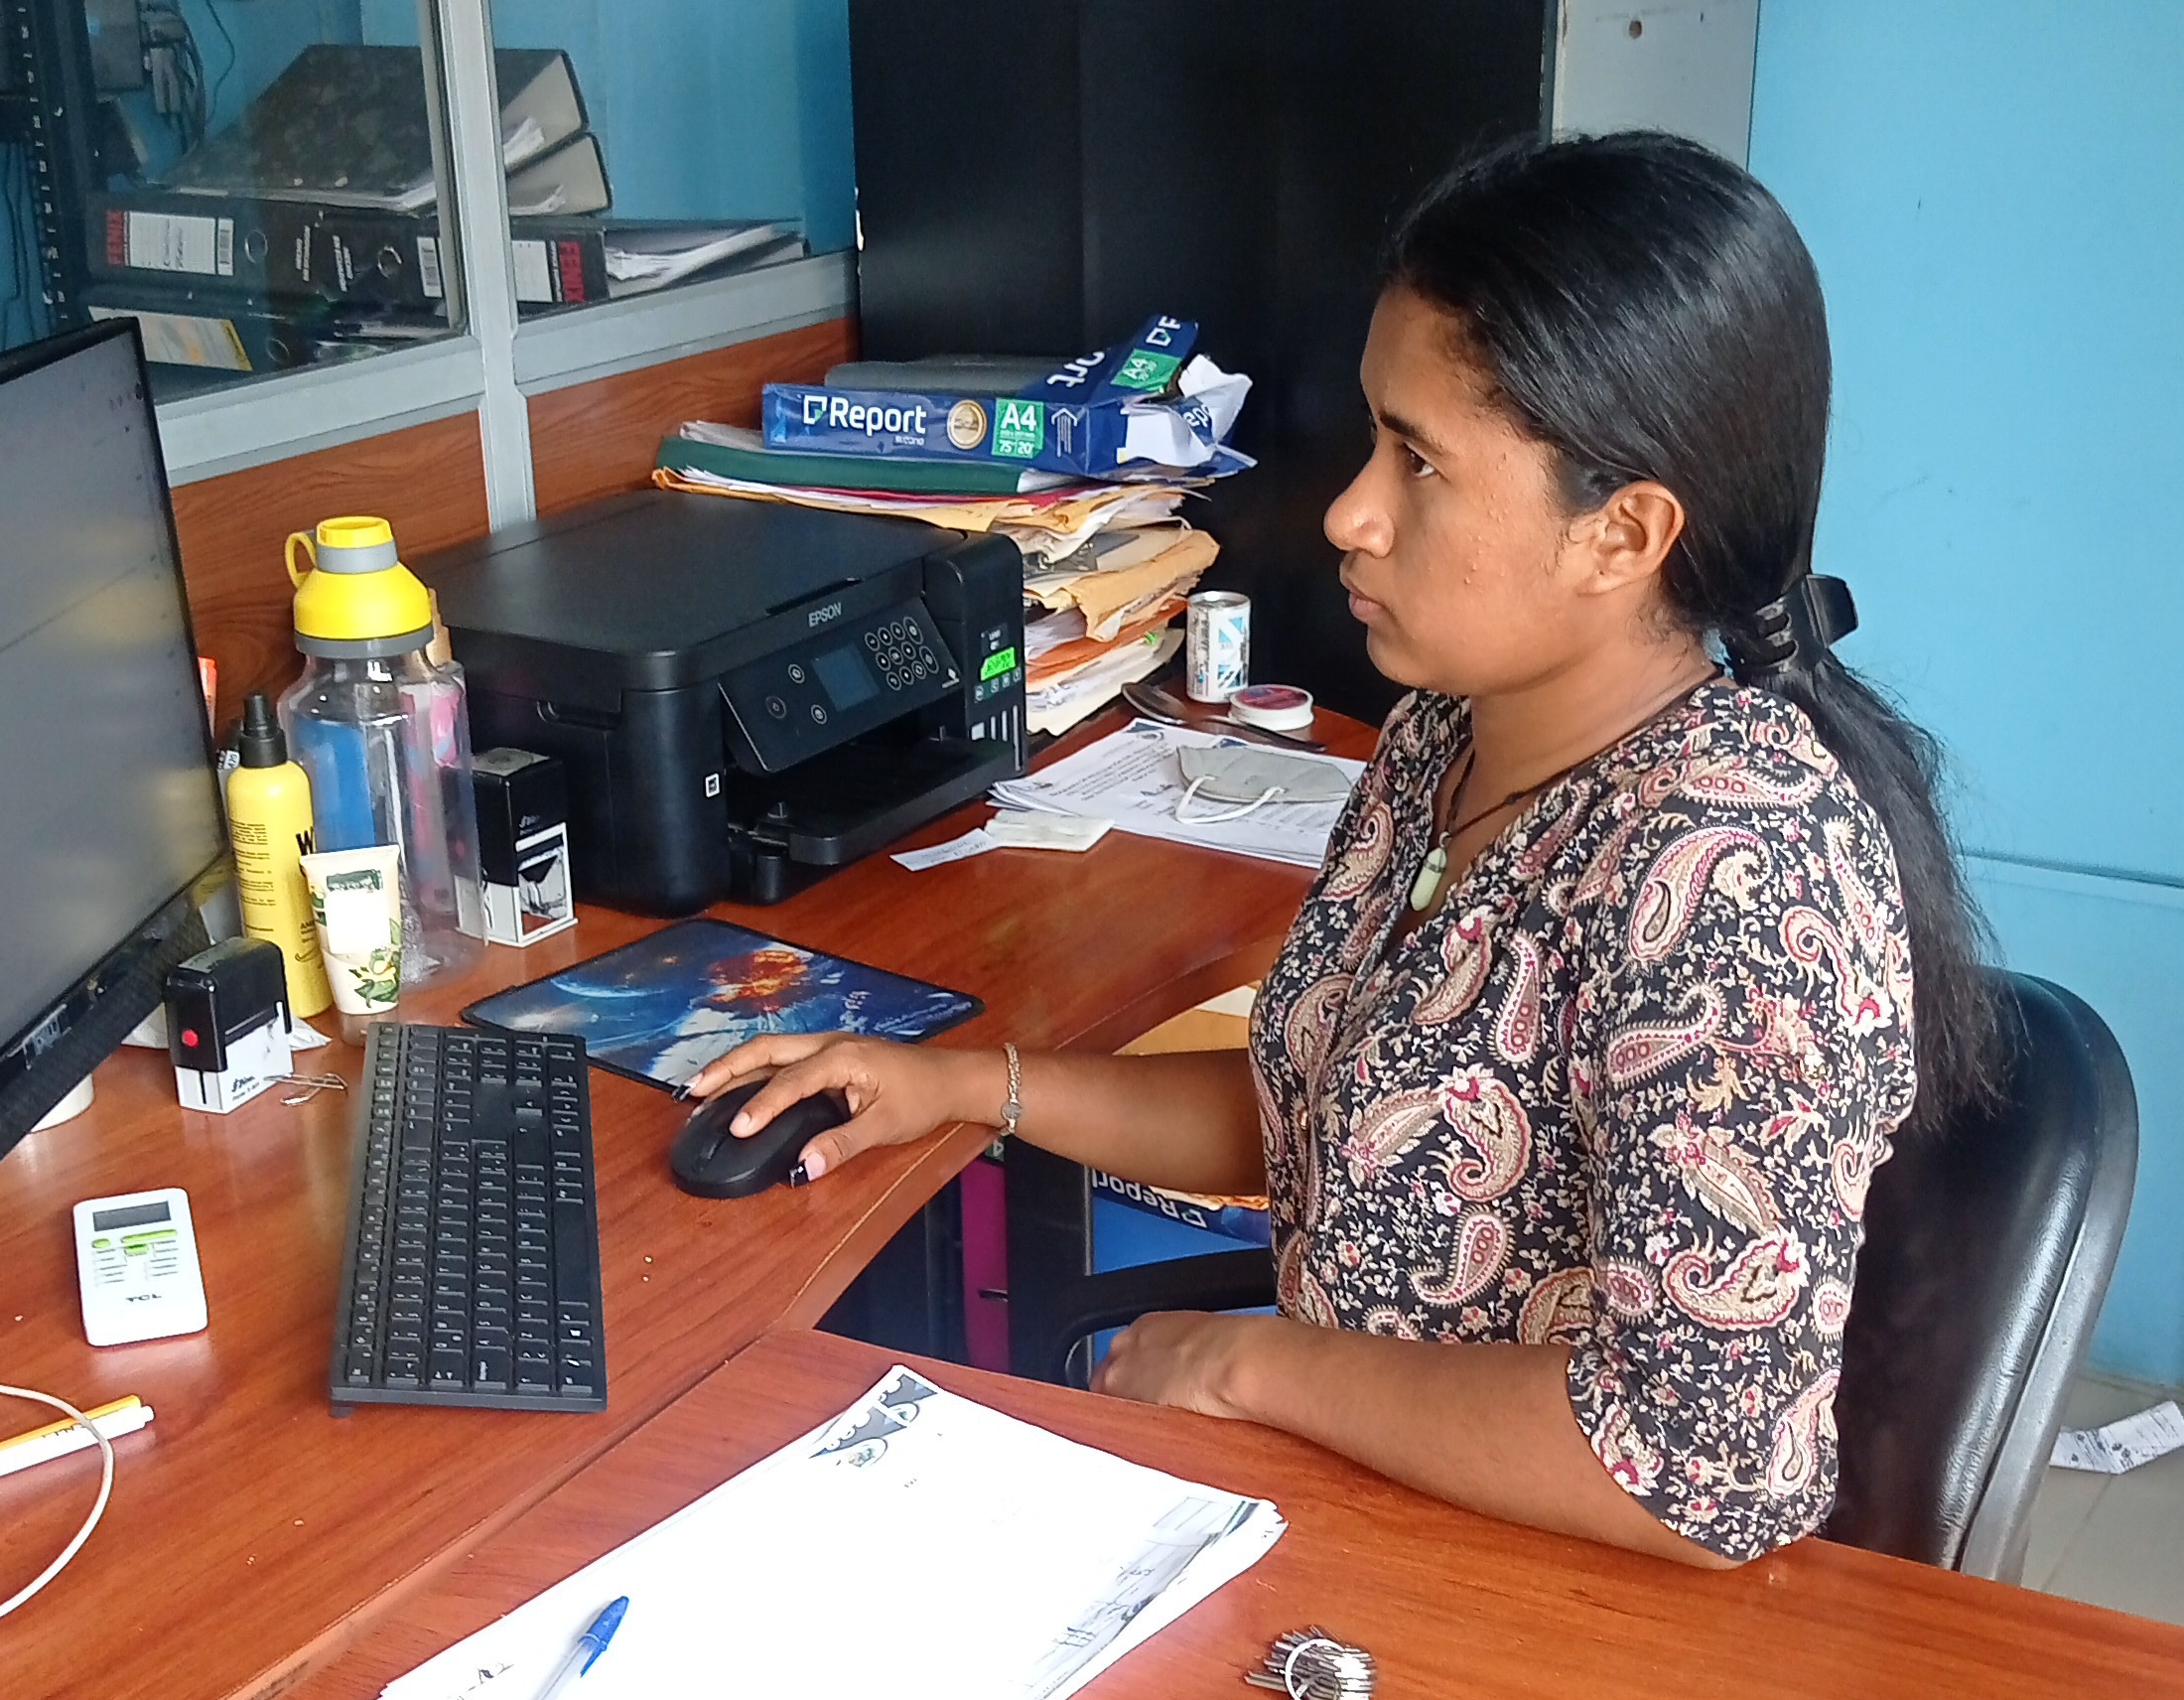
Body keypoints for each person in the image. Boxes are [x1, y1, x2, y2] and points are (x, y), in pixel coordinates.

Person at [689, 133, 2000, 1565]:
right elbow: (1333, 1119)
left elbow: (1697, 1474)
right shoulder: (1447, 738)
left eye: (1418, 462)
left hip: (1551, 1593)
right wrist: (962, 1086)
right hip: (1355, 1507)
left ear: (1621, 536)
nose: (1348, 513)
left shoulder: (1732, 878)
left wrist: (1247, 1364)